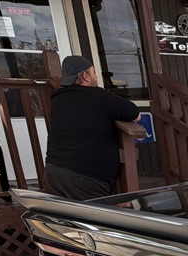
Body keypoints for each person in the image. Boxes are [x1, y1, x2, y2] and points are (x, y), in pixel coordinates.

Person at [44, 55, 140, 200]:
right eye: (93, 72)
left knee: (68, 220)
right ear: (85, 76)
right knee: (98, 220)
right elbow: (134, 114)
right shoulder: (100, 96)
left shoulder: (58, 97)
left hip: (54, 172)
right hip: (85, 179)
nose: (96, 77)